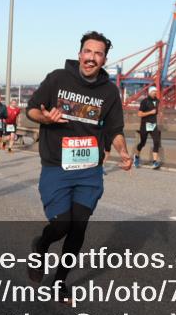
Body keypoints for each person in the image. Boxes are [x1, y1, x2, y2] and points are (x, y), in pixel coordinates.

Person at [25, 31, 132, 297]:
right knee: (61, 226)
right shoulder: (58, 78)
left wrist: (123, 151)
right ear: (80, 54)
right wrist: (46, 119)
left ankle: (60, 282)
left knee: (79, 227)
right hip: (56, 165)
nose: (91, 57)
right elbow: (31, 110)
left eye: (98, 53)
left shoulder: (109, 91)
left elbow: (115, 130)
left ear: (104, 59)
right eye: (88, 51)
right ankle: (40, 246)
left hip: (89, 170)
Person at [133, 85, 162, 169]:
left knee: (156, 141)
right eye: (153, 91)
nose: (155, 93)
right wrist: (150, 112)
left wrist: (159, 114)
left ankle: (155, 162)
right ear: (149, 92)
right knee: (143, 143)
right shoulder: (144, 101)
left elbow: (157, 111)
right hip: (145, 125)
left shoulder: (157, 101)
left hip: (153, 125)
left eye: (156, 92)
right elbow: (139, 114)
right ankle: (137, 157)